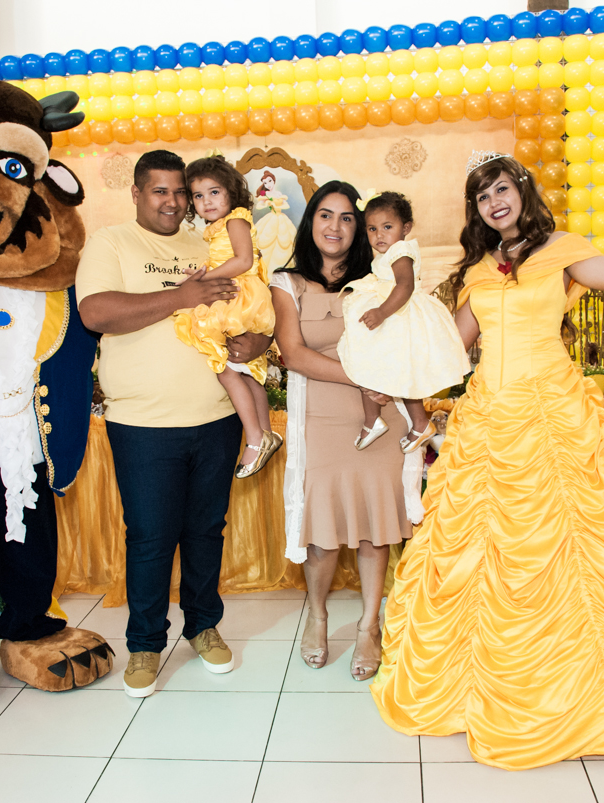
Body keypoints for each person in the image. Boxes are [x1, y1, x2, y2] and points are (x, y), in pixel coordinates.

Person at [370, 154, 604, 769]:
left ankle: (594, 684)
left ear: (521, 191)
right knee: (489, 549)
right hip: (491, 417)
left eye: (501, 189)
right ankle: (483, 681)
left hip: (555, 413)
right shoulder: (480, 270)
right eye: (482, 196)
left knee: (584, 542)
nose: (494, 202)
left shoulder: (562, 248)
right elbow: (449, 351)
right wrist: (387, 371)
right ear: (477, 211)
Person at [76, 149, 272, 698]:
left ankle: (203, 626)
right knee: (150, 538)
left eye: (180, 191)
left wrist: (257, 340)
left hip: (216, 417)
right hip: (142, 423)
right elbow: (96, 312)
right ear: (137, 194)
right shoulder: (111, 242)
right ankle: (144, 644)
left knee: (207, 532)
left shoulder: (208, 243)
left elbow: (248, 306)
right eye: (159, 190)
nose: (172, 201)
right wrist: (181, 296)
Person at [269, 181, 414, 681]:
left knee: (376, 530)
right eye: (325, 215)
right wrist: (364, 376)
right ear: (311, 222)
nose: (335, 226)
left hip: (381, 414)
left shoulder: (378, 279)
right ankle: (319, 614)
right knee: (323, 534)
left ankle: (369, 627)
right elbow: (294, 354)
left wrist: (384, 382)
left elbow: (405, 333)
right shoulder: (287, 283)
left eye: (348, 217)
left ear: (360, 227)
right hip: (322, 418)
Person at [336, 191, 469, 452]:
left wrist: (382, 312)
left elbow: (405, 285)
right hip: (395, 309)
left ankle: (376, 419)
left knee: (370, 360)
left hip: (399, 312)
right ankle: (416, 423)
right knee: (398, 370)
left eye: (388, 227)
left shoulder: (400, 250)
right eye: (372, 229)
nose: (379, 235)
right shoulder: (390, 252)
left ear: (405, 227)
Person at [176, 155, 280, 478]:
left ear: (231, 192)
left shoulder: (236, 219)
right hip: (236, 290)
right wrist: (203, 272)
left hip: (239, 293)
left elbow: (244, 260)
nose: (206, 201)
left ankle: (254, 437)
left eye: (214, 192)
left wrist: (204, 280)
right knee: (247, 370)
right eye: (198, 195)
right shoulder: (218, 226)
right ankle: (267, 434)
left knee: (225, 367)